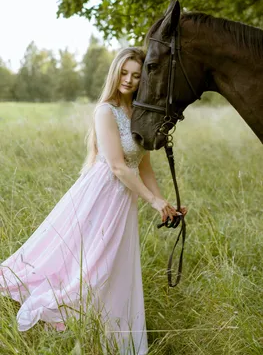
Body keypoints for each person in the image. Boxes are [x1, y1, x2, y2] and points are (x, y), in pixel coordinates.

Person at [0, 47, 186, 354]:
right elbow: (116, 165)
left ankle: (111, 336)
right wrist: (151, 200)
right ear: (115, 73)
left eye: (136, 75)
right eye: (124, 73)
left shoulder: (139, 113)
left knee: (114, 265)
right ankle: (70, 322)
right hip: (101, 193)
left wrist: (163, 202)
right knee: (87, 262)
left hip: (123, 199)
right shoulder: (105, 111)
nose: (129, 80)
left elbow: (144, 165)